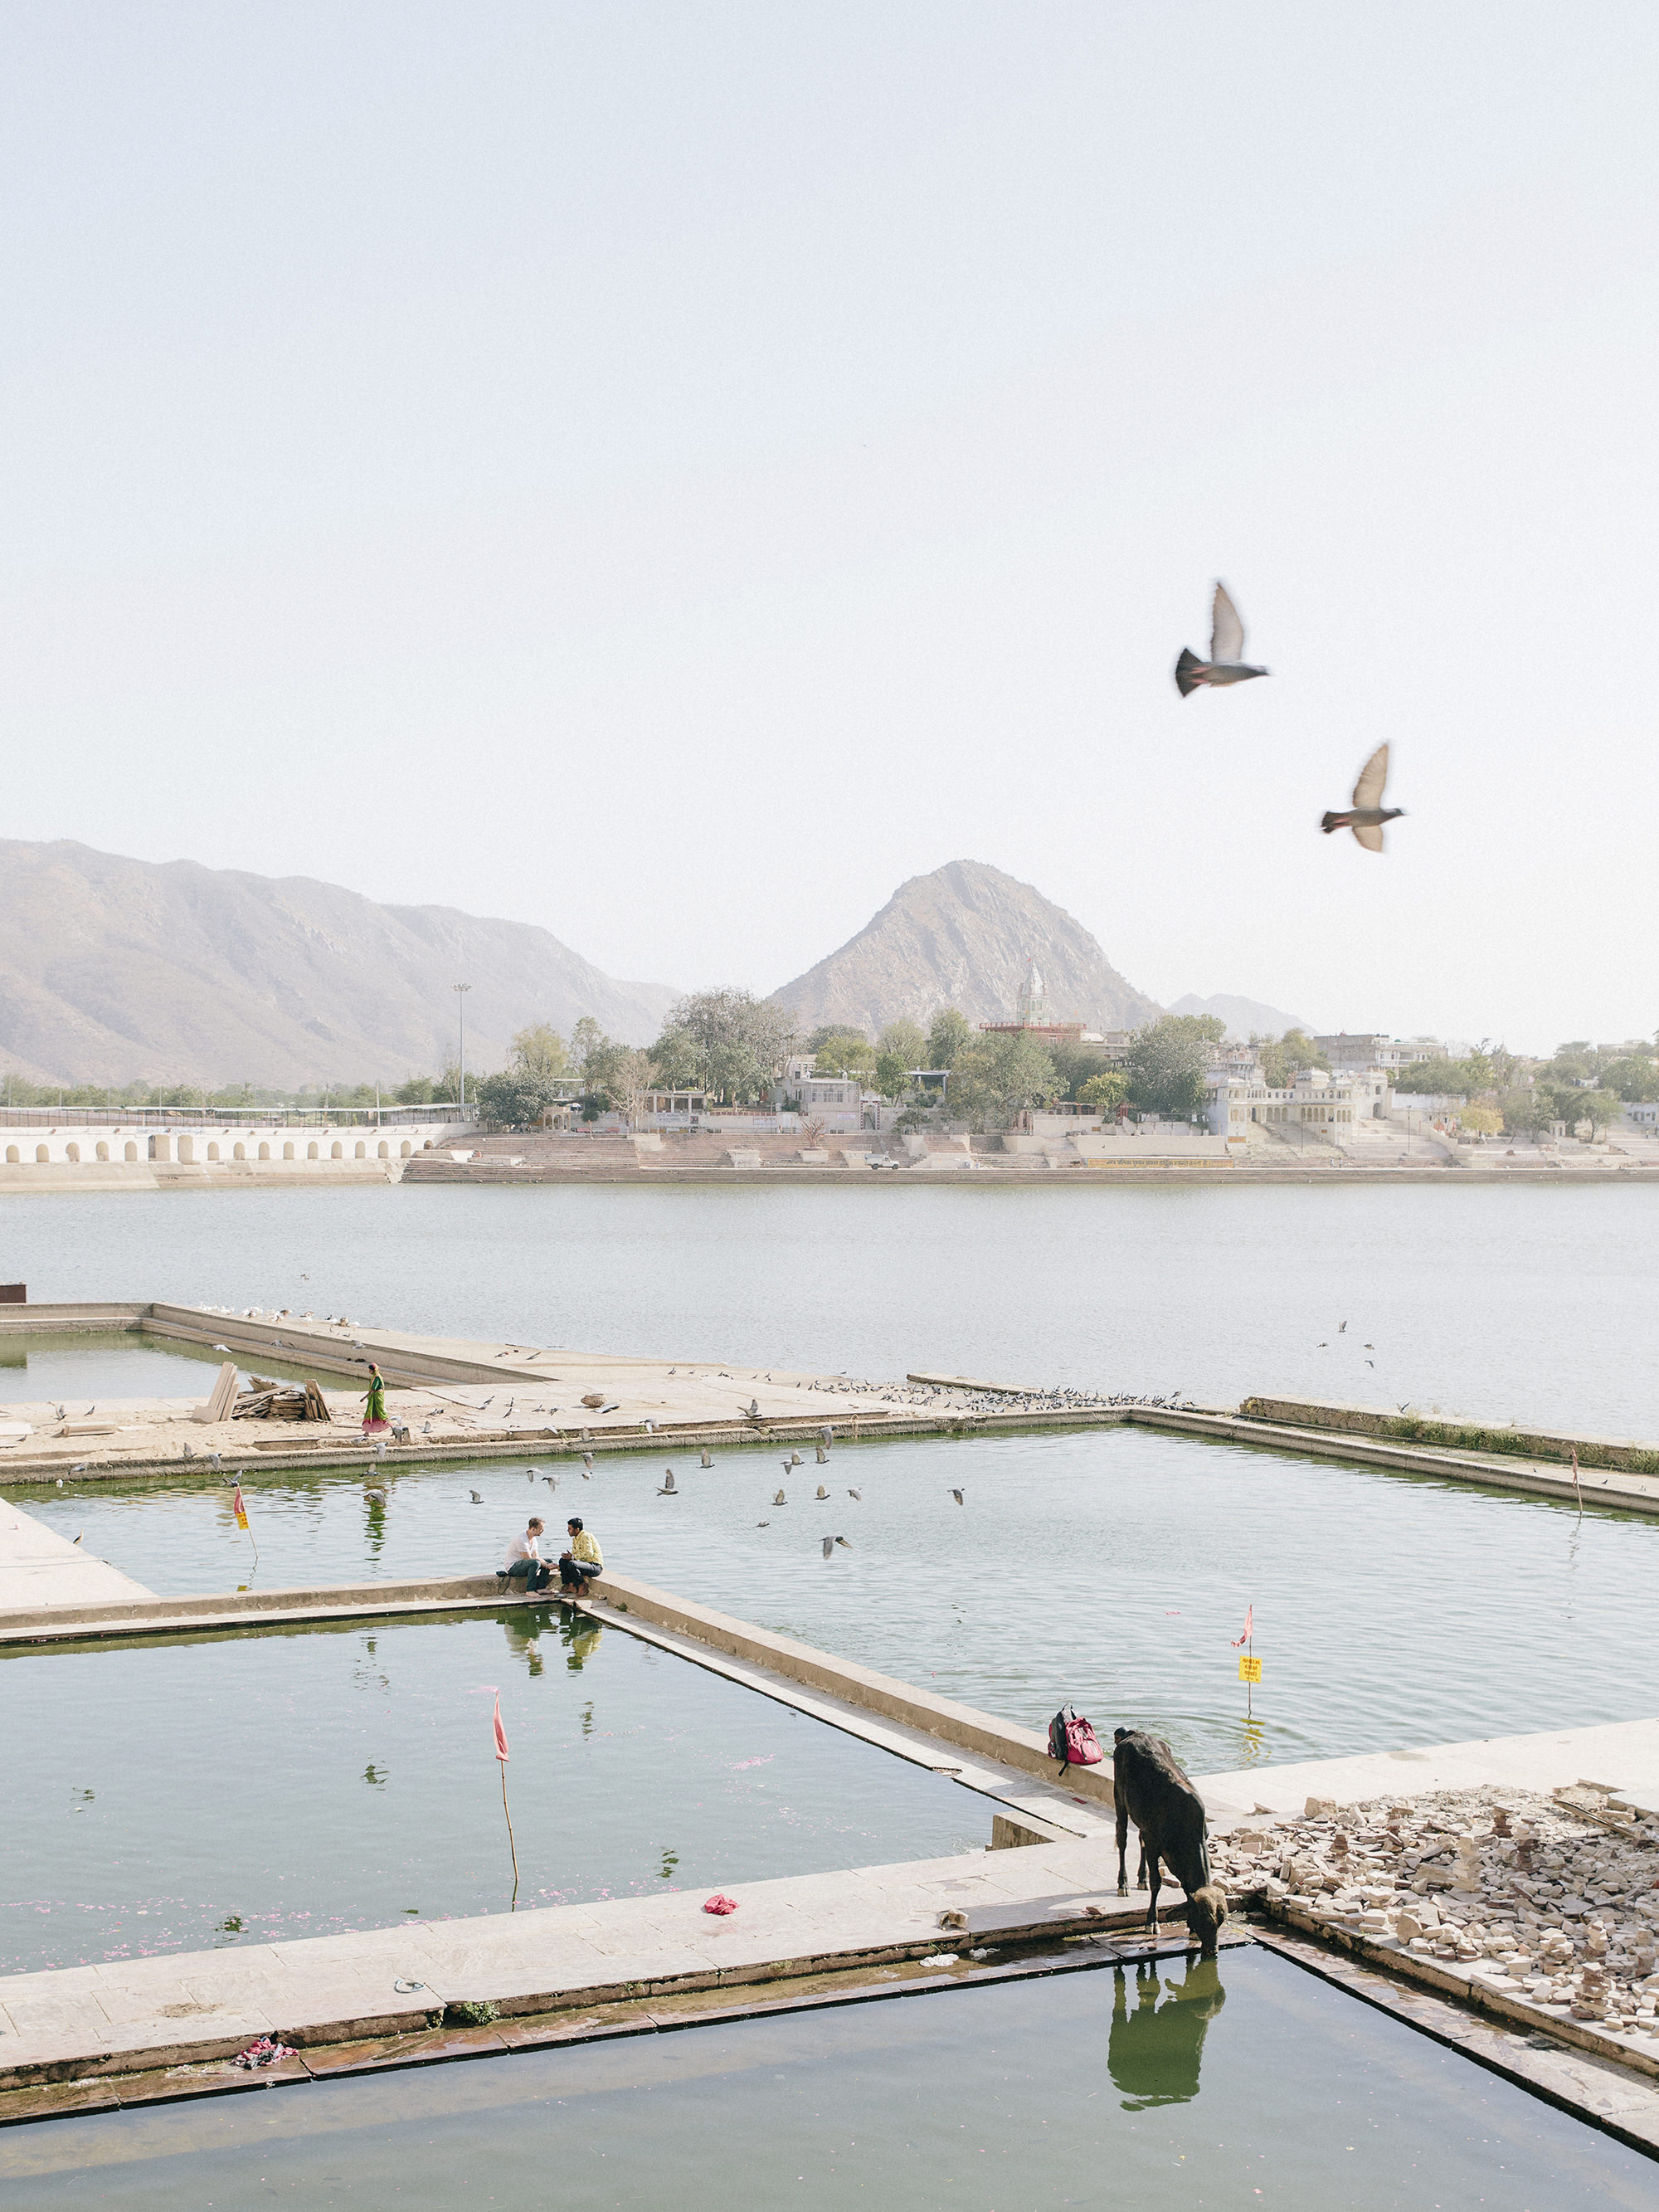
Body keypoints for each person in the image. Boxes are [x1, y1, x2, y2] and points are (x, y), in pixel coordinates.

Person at [500, 1516, 552, 1593]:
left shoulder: (534, 1540)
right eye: (541, 1529)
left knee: (548, 1561)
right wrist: (545, 1565)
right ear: (533, 1529)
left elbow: (536, 1556)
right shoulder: (522, 1539)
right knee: (535, 1563)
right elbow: (528, 1559)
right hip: (513, 1567)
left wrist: (547, 1564)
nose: (543, 1530)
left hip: (525, 1564)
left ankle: (541, 1588)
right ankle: (530, 1590)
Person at [559, 1516, 603, 1592]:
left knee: (572, 1564)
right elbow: (575, 1556)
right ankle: (570, 1586)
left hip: (595, 1566)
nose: (568, 1530)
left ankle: (582, 1585)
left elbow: (589, 1554)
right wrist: (569, 1557)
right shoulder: (575, 1539)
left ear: (577, 1529)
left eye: (570, 1529)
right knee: (563, 1561)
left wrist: (572, 1557)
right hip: (585, 1564)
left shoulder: (585, 1536)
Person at [361, 1362, 388, 1432]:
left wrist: (364, 1398)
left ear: (374, 1370)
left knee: (381, 1412)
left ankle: (391, 1427)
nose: (369, 1371)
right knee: (370, 1413)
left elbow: (373, 1389)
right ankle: (367, 1432)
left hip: (377, 1397)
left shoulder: (377, 1378)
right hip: (374, 1397)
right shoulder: (374, 1376)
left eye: (370, 1370)